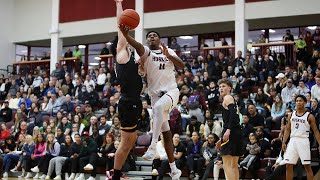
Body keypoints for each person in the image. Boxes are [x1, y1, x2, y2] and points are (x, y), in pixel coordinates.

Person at [119, 3, 184, 180]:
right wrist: (126, 35)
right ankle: (174, 169)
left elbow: (182, 66)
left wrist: (169, 56)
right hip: (155, 96)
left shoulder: (167, 50)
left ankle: (153, 146)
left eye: (155, 35)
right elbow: (137, 45)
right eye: (149, 36)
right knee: (167, 134)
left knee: (156, 110)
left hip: (171, 92)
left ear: (159, 39)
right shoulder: (145, 53)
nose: (152, 37)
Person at [110, 1, 143, 180]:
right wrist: (119, 4)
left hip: (134, 102)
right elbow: (119, 25)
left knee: (130, 142)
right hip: (128, 102)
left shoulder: (129, 58)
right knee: (124, 143)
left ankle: (118, 172)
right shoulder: (121, 53)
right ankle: (115, 175)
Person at [282, 95, 320, 180]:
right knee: (288, 165)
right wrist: (284, 142)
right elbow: (287, 129)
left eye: (300, 101)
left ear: (305, 102)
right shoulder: (291, 114)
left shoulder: (309, 116)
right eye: (297, 101)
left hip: (303, 140)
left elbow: (316, 131)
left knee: (307, 166)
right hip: (292, 140)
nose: (298, 102)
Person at [216, 79, 243, 180]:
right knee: (234, 165)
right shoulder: (232, 99)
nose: (221, 88)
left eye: (223, 86)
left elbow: (233, 115)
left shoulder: (227, 97)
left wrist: (228, 129)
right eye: (220, 87)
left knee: (227, 165)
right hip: (236, 132)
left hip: (231, 131)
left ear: (230, 88)